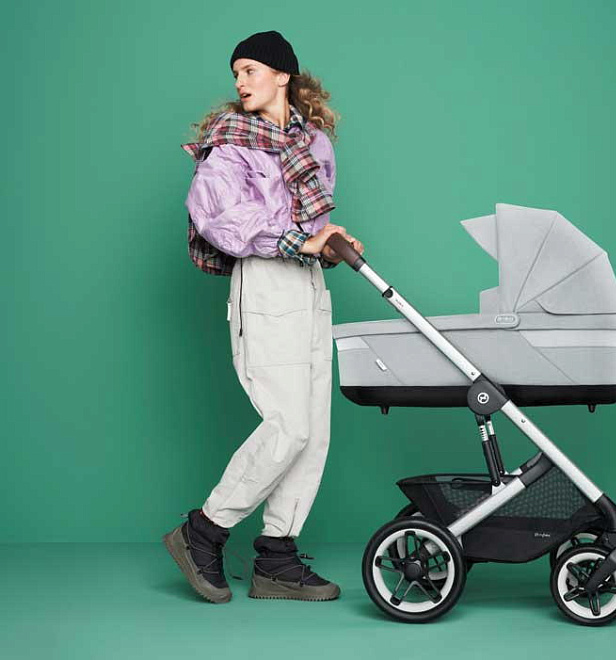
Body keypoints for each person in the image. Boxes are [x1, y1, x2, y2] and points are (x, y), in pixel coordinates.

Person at [163, 30, 363, 604]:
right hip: (266, 283)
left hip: (310, 283)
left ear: (282, 75)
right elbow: (218, 217)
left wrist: (329, 242)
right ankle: (204, 530)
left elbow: (311, 222)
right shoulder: (229, 145)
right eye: (236, 74)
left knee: (313, 432)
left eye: (250, 70)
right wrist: (299, 240)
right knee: (288, 425)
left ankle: (277, 556)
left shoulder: (314, 143)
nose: (240, 81)